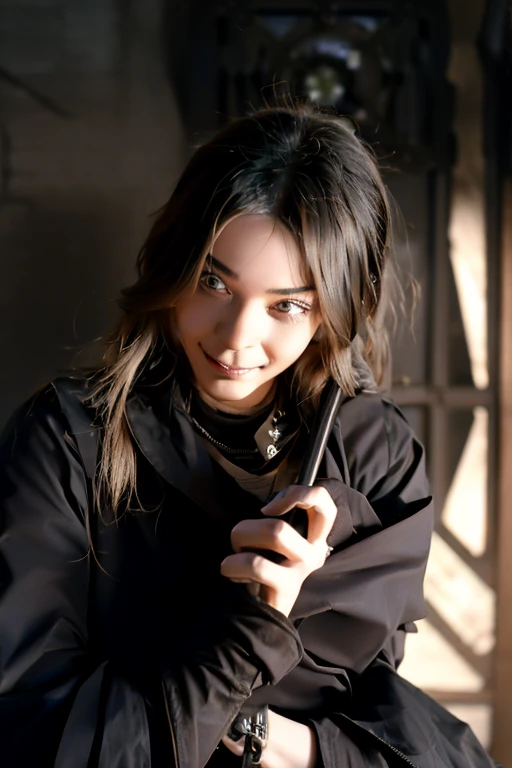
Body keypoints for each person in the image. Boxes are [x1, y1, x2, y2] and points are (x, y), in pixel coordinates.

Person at [0, 102, 497, 768]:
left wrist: (278, 739)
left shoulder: (376, 458)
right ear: (171, 266)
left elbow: (363, 702)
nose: (237, 339)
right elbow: (32, 735)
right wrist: (244, 636)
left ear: (331, 312)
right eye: (213, 282)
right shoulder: (66, 440)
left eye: (286, 305)